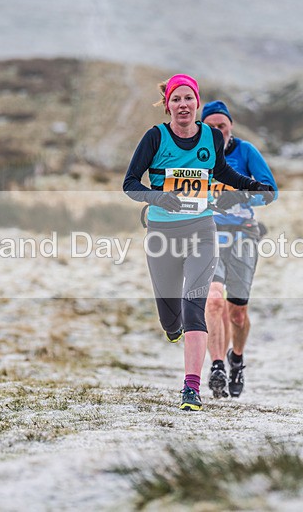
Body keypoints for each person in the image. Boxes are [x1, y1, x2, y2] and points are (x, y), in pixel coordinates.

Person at [122, 74, 274, 411]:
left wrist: (249, 185)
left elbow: (221, 172)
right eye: (176, 99)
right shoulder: (155, 138)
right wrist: (159, 198)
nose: (183, 105)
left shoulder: (210, 137)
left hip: (202, 232)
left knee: (198, 306)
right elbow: (130, 184)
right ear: (168, 106)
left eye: (188, 98)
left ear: (197, 104)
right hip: (163, 234)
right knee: (170, 318)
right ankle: (172, 327)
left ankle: (191, 389)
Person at [201, 100, 277, 399]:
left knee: (237, 313)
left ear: (230, 126)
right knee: (213, 300)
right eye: (211, 127)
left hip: (243, 235)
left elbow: (270, 191)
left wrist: (241, 196)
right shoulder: (195, 154)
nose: (217, 131)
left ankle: (237, 359)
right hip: (206, 235)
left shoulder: (246, 152)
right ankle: (217, 366)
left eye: (222, 126)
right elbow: (176, 187)